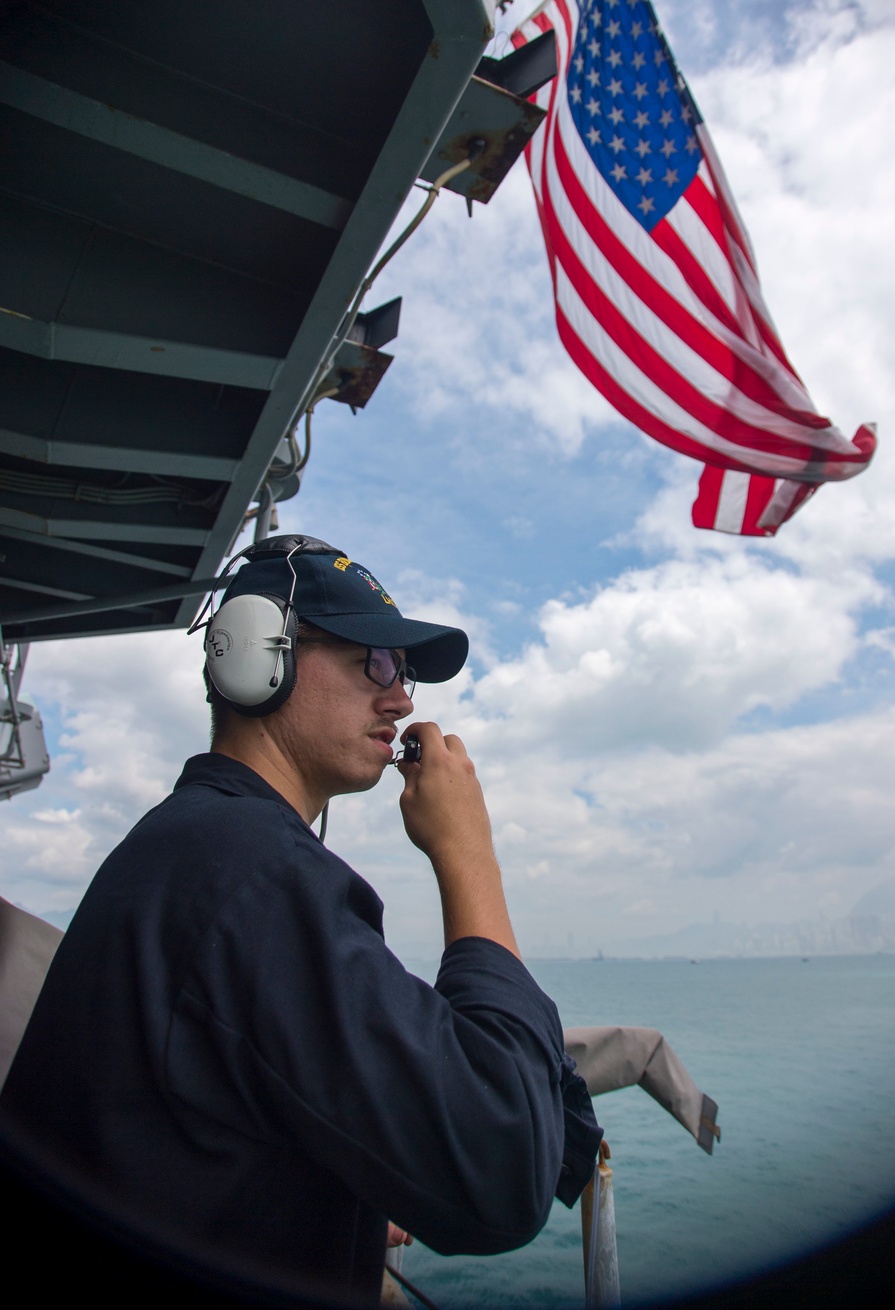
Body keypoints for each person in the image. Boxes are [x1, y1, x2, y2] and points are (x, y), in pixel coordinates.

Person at [0, 536, 601, 1306]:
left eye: (406, 672)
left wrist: (336, 1193)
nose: (404, 698)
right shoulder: (250, 873)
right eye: (374, 663)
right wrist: (469, 856)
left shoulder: (196, 848)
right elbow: (504, 1164)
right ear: (258, 655)